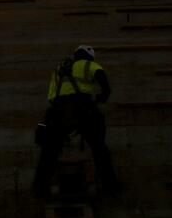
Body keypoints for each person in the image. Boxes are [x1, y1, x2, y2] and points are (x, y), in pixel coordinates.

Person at [33, 45, 119, 198]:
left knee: (49, 151)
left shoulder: (59, 69)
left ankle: (39, 188)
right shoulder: (89, 65)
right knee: (99, 147)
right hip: (83, 109)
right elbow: (105, 86)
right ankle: (110, 185)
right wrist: (101, 98)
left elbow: (51, 94)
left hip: (57, 111)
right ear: (89, 56)